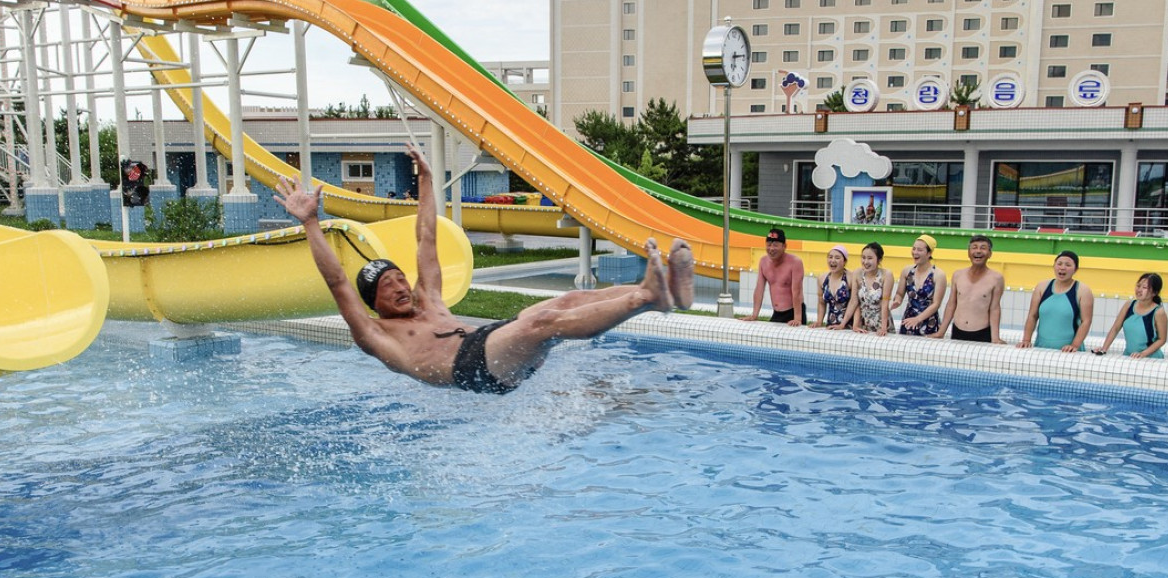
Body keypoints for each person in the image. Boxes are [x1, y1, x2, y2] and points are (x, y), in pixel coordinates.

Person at [273, 143, 695, 394]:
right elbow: (335, 282)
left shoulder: (430, 302)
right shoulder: (376, 334)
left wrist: (425, 179)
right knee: (544, 322)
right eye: (388, 284)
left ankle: (664, 291)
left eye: (400, 276)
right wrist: (310, 221)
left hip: (491, 343)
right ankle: (647, 298)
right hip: (472, 371)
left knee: (565, 299)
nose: (401, 284)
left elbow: (426, 238)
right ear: (373, 302)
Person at [933, 235, 1005, 344]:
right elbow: (951, 304)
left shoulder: (996, 278)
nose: (978, 251)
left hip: (982, 332)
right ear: (968, 253)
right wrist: (941, 332)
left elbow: (994, 308)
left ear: (990, 254)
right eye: (974, 247)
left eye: (983, 248)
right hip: (958, 331)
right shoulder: (958, 275)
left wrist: (995, 338)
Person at [1018, 250, 1094, 352]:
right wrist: (1026, 340)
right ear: (1054, 266)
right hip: (1041, 347)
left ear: (1076, 269)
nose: (1062, 267)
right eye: (1059, 264)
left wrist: (1074, 345)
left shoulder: (1083, 291)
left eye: (1068, 265)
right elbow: (1032, 315)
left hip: (1069, 351)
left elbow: (1086, 321)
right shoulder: (1042, 287)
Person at [1093, 273, 1168, 359]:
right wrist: (1104, 349)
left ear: (1154, 292)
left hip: (1150, 359)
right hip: (1129, 356)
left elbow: (1162, 339)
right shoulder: (1129, 305)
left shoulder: (1158, 312)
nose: (1139, 290)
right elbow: (1115, 328)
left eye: (1144, 287)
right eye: (1138, 286)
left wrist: (1143, 354)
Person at [741, 228, 806, 326]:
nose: (771, 249)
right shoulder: (763, 262)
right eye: (769, 245)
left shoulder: (795, 262)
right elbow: (759, 289)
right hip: (777, 313)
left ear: (784, 246)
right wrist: (754, 315)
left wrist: (797, 318)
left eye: (775, 245)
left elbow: (796, 291)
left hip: (793, 312)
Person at [890, 234, 946, 336]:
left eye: (919, 250)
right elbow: (899, 293)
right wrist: (897, 301)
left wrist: (918, 319)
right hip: (909, 320)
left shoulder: (938, 275)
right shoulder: (907, 271)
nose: (915, 252)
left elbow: (936, 304)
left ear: (929, 253)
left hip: (929, 322)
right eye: (914, 249)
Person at [851, 242, 895, 337]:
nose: (865, 262)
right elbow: (856, 302)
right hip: (864, 324)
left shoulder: (886, 275)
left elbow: (885, 303)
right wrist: (855, 325)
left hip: (881, 323)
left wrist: (883, 327)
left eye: (870, 258)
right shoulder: (857, 273)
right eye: (863, 257)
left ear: (879, 260)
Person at [811, 245, 856, 329]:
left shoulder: (851, 278)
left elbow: (855, 304)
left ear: (845, 261)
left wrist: (842, 324)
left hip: (849, 326)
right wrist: (819, 321)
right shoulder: (822, 278)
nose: (833, 260)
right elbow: (821, 303)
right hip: (831, 324)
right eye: (830, 257)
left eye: (837, 258)